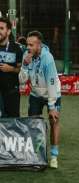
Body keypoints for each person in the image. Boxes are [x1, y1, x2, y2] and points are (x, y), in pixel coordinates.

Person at [19, 31, 61, 169]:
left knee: (54, 122)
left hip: (51, 93)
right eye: (27, 45)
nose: (28, 48)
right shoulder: (26, 56)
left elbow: (52, 83)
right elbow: (21, 81)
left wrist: (52, 105)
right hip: (36, 94)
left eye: (31, 45)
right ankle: (35, 155)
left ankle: (54, 157)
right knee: (33, 124)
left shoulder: (48, 58)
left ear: (39, 45)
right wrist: (24, 66)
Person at [0, 18, 23, 117]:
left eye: (1, 28)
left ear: (8, 31)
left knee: (12, 121)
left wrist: (10, 69)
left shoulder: (16, 48)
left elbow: (20, 69)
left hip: (11, 92)